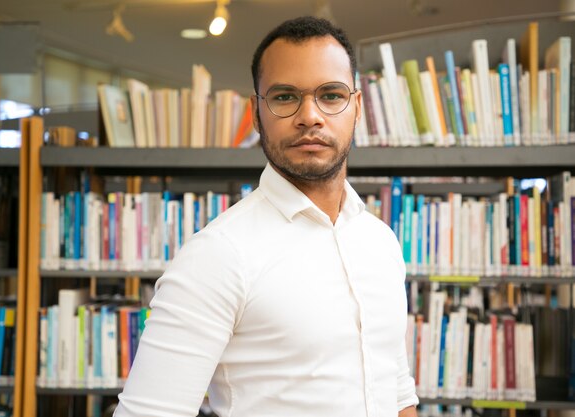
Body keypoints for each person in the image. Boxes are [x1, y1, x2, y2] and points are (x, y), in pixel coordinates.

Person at [115, 16, 419, 417]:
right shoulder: (218, 254)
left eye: (330, 95)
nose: (309, 115)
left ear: (357, 108)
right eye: (284, 97)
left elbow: (396, 392)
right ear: (257, 115)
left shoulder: (381, 241)